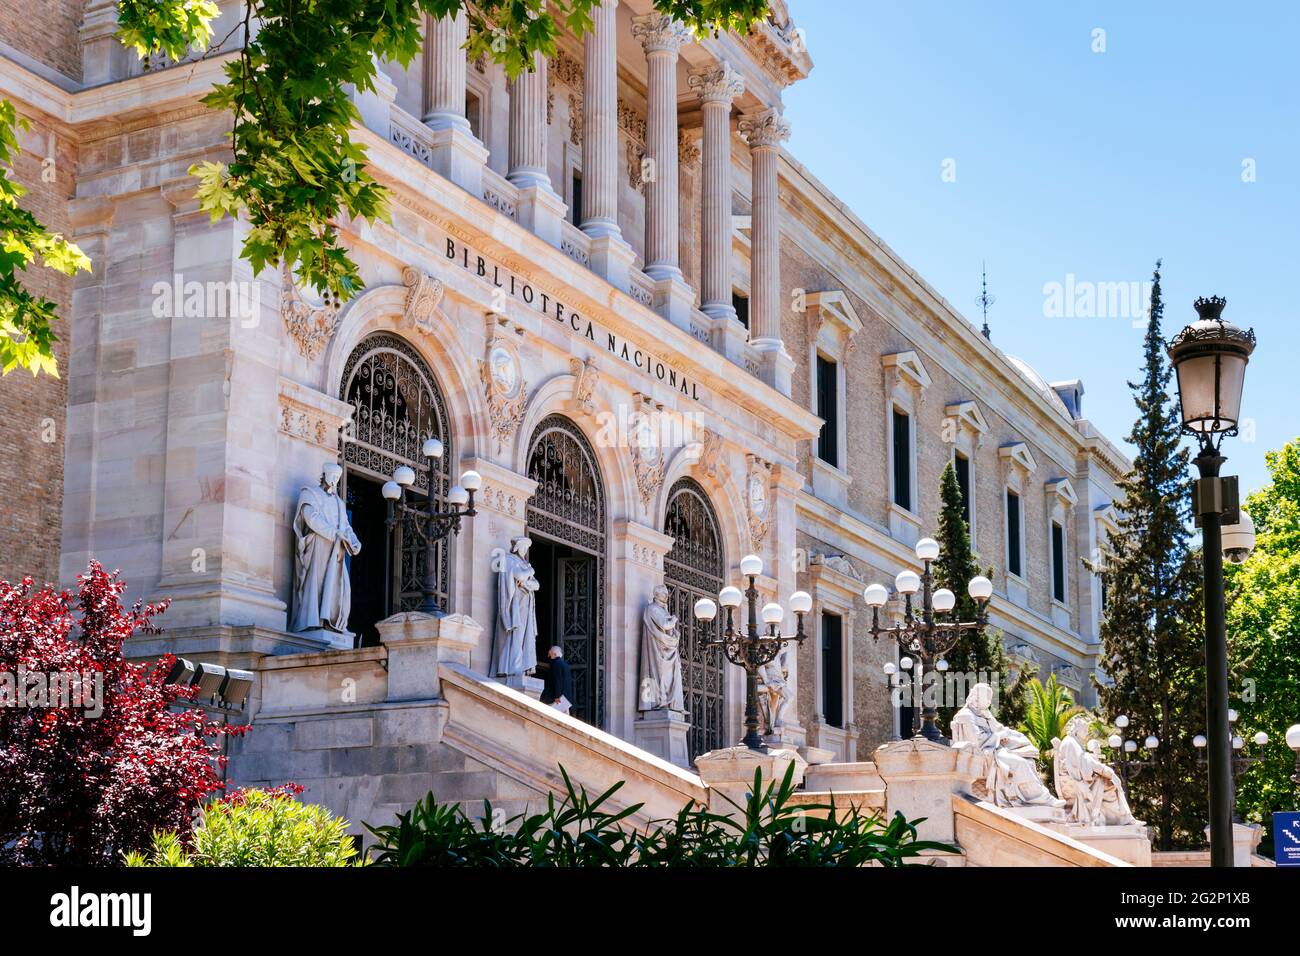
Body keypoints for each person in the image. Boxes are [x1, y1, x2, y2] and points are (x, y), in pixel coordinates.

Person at [541, 645, 573, 715]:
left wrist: (557, 697)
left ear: (555, 654)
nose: (548, 655)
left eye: (550, 653)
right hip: (565, 699)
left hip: (558, 700)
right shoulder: (565, 665)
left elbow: (557, 682)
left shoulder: (556, 664)